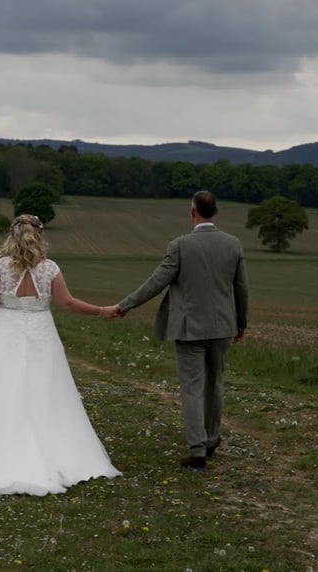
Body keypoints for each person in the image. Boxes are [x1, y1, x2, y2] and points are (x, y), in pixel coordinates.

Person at [0, 214, 121, 495]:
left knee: (1, 390)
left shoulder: (0, 266)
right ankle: (51, 450)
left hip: (5, 332)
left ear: (12, 236)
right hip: (42, 333)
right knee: (44, 390)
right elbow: (68, 303)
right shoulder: (50, 269)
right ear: (38, 236)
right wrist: (102, 310)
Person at [115, 190, 249, 470]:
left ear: (192, 212)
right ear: (216, 212)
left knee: (192, 388)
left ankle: (197, 450)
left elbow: (156, 282)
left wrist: (125, 305)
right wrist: (241, 323)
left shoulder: (180, 246)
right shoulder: (233, 244)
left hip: (189, 329)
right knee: (215, 384)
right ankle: (212, 438)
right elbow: (241, 288)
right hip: (223, 326)